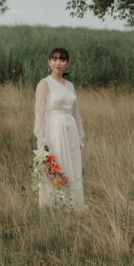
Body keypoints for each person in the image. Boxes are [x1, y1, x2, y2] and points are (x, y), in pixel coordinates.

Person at [34, 47, 86, 210]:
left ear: (67, 63)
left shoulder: (70, 85)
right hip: (54, 129)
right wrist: (42, 140)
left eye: (62, 59)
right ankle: (57, 203)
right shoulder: (44, 83)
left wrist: (79, 136)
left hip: (70, 128)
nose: (58, 62)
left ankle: (72, 201)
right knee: (57, 163)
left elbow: (76, 112)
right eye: (54, 59)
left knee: (72, 164)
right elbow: (40, 113)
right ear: (49, 62)